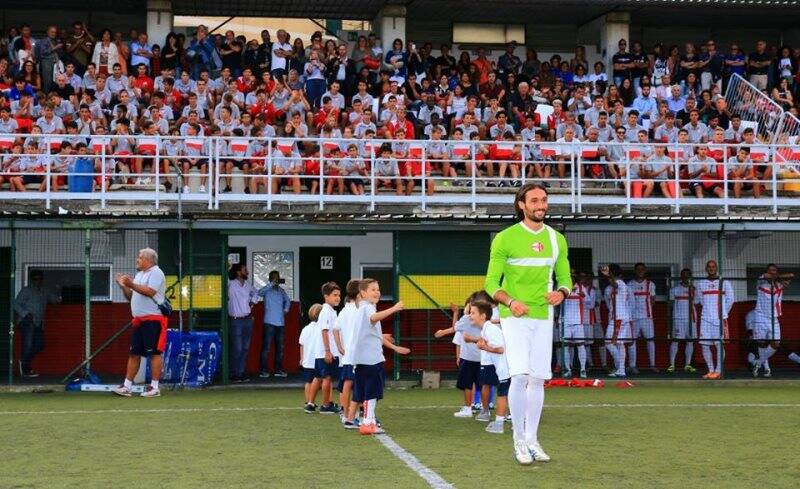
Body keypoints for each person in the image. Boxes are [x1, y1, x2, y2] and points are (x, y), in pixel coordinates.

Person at [484, 183, 571, 465]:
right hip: (515, 317)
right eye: (534, 200)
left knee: (538, 379)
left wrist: (562, 293)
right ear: (521, 204)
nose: (540, 205)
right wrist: (510, 302)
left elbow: (565, 279)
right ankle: (518, 440)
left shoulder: (557, 239)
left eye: (544, 200)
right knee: (519, 376)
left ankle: (533, 440)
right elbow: (490, 284)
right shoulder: (505, 238)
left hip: (544, 316)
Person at [351, 278, 409, 435]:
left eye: (378, 289)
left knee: (369, 392)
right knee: (372, 392)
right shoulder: (368, 308)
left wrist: (390, 344)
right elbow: (373, 318)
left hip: (364, 359)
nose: (377, 292)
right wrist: (394, 308)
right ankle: (367, 423)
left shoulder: (363, 309)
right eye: (373, 289)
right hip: (370, 359)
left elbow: (372, 333)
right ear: (363, 293)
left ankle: (367, 421)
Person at [113, 248, 167, 397]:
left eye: (140, 257)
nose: (137, 260)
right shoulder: (139, 274)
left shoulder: (156, 272)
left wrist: (131, 284)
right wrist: (124, 285)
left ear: (148, 260)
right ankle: (127, 386)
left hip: (153, 320)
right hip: (139, 321)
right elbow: (131, 296)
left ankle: (154, 387)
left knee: (154, 353)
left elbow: (150, 291)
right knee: (134, 353)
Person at [463, 300, 509, 434]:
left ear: (483, 316)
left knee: (502, 394)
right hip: (500, 368)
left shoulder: (491, 330)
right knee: (502, 393)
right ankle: (499, 421)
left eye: (473, 313)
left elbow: (501, 349)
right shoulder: (487, 329)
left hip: (502, 369)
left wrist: (484, 347)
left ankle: (500, 424)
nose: (470, 315)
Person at [14, 271, 60, 377]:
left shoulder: (44, 290)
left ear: (42, 280)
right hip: (27, 321)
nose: (37, 281)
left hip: (38, 322)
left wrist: (62, 296)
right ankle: (26, 370)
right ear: (31, 280)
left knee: (40, 345)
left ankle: (24, 360)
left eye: (39, 279)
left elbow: (55, 299)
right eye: (35, 279)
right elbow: (15, 304)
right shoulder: (26, 290)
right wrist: (25, 314)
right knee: (28, 345)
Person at [694, 260, 734, 379]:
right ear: (706, 268)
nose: (711, 268)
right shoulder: (701, 283)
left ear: (717, 268)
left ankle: (718, 371)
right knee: (705, 346)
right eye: (709, 267)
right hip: (705, 319)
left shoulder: (724, 282)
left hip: (720, 319)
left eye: (713, 266)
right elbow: (699, 300)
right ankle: (711, 370)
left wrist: (722, 313)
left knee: (719, 345)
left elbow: (730, 299)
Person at [752, 264, 793, 377]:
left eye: (774, 270)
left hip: (774, 318)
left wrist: (781, 279)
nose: (772, 272)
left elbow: (790, 277)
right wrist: (779, 276)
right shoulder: (761, 281)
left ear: (777, 271)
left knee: (776, 343)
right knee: (761, 343)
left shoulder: (779, 285)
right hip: (760, 316)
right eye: (770, 270)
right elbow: (767, 276)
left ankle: (758, 363)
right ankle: (767, 368)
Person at [334, 279, 361, 428]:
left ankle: (346, 414)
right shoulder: (357, 310)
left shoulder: (344, 310)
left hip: (348, 355)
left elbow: (335, 328)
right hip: (355, 354)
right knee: (354, 384)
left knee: (347, 383)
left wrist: (340, 347)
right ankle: (350, 415)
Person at [313, 282, 341, 415]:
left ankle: (327, 402)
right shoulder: (325, 312)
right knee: (327, 378)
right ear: (326, 296)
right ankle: (325, 405)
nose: (338, 298)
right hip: (325, 352)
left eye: (339, 295)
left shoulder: (331, 311)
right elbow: (324, 332)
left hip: (325, 351)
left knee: (325, 378)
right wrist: (328, 351)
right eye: (335, 295)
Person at [600, 264, 633, 378]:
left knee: (609, 343)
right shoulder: (618, 284)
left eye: (610, 271)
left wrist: (607, 275)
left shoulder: (620, 283)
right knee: (619, 343)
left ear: (613, 273)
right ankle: (621, 369)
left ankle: (621, 368)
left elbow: (613, 283)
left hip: (618, 317)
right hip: (619, 317)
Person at [227, 263, 258, 382]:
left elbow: (255, 292)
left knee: (245, 348)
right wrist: (228, 268)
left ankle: (240, 373)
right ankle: (233, 373)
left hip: (247, 319)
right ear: (238, 272)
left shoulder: (247, 285)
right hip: (235, 320)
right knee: (237, 348)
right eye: (245, 270)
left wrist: (252, 302)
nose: (247, 272)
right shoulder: (231, 284)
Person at [257, 270, 291, 378]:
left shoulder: (281, 291)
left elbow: (288, 300)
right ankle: (263, 370)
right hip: (269, 322)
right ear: (271, 278)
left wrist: (286, 309)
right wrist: (271, 284)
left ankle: (278, 370)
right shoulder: (267, 290)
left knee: (280, 348)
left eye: (277, 277)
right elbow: (259, 293)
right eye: (274, 277)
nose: (276, 279)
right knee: (266, 348)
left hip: (280, 323)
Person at [627, 263, 657, 374]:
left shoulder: (651, 284)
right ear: (635, 270)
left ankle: (652, 365)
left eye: (642, 269)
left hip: (647, 318)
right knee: (632, 341)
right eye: (638, 269)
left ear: (645, 270)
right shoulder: (629, 284)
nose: (640, 271)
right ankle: (632, 366)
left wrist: (646, 310)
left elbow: (653, 300)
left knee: (650, 341)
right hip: (634, 318)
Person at [667, 268, 698, 373]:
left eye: (687, 275)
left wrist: (692, 289)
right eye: (683, 275)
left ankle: (687, 365)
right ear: (681, 276)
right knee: (675, 341)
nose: (685, 277)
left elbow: (697, 302)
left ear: (690, 276)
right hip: (678, 319)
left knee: (690, 342)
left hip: (691, 319)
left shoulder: (694, 289)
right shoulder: (674, 289)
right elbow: (670, 306)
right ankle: (672, 365)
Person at [561, 269, 589, 379]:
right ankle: (567, 370)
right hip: (565, 321)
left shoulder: (582, 288)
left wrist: (584, 296)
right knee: (566, 346)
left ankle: (583, 370)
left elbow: (590, 304)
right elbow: (555, 303)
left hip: (578, 321)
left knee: (581, 345)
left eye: (573, 276)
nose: (571, 278)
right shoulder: (561, 289)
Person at [300, 303, 323, 413]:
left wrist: (302, 358)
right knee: (322, 380)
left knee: (308, 381)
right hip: (318, 358)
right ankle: (323, 401)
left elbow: (302, 345)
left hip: (307, 359)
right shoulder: (322, 328)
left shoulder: (305, 329)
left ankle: (308, 401)